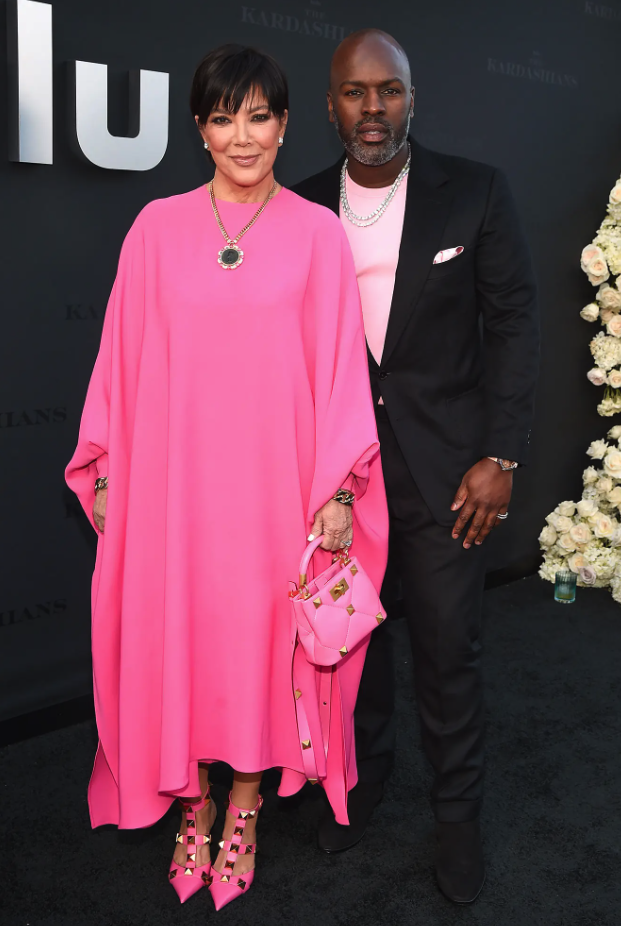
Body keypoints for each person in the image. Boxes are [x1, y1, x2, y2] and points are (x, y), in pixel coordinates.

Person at [66, 43, 388, 911]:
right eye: (221, 117)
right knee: (184, 644)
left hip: (275, 492)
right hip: (173, 493)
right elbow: (119, 362)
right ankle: (192, 801)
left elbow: (340, 373)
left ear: (284, 125)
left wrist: (338, 490)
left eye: (258, 116)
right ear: (200, 128)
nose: (240, 136)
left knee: (253, 651)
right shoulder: (155, 228)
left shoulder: (318, 234)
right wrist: (104, 467)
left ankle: (244, 805)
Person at [293, 29, 539, 904]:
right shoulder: (301, 207)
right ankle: (355, 786)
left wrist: (500, 454)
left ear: (410, 98)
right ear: (329, 107)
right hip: (341, 480)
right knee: (348, 647)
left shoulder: (473, 192)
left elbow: (511, 326)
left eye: (387, 91)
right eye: (354, 93)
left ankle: (457, 819)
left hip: (448, 477)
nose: (371, 108)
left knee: (448, 653)